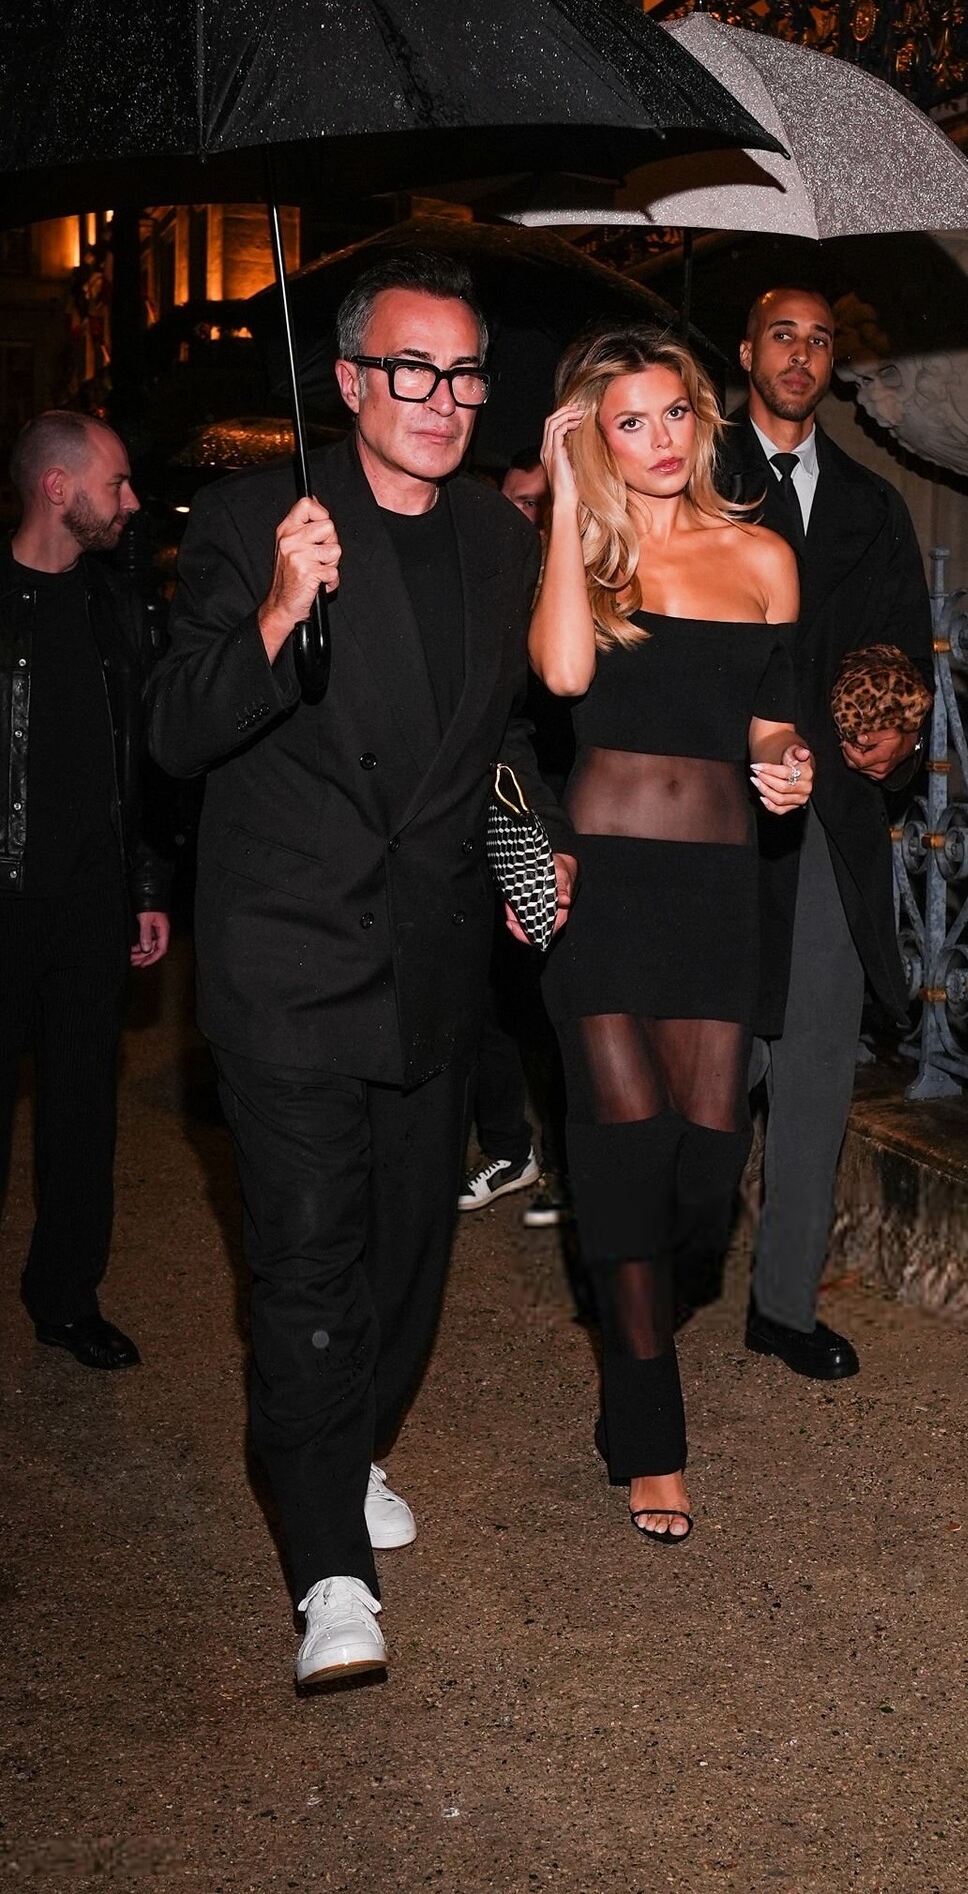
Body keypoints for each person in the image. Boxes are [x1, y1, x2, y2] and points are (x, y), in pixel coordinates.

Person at [148, 253, 576, 1688]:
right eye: (411, 368)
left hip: (430, 968)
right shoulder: (251, 519)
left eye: (463, 374)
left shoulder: (500, 540)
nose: (442, 398)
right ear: (346, 380)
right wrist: (278, 612)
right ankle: (327, 1565)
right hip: (288, 965)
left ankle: (350, 1443)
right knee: (309, 1269)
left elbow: (498, 742)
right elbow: (176, 732)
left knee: (408, 1263)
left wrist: (533, 846)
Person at [531, 322, 812, 1543]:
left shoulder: (761, 556)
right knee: (623, 1153)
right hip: (599, 890)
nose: (655, 440)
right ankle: (650, 1436)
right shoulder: (582, 558)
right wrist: (561, 506)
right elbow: (559, 678)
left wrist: (787, 763)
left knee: (704, 1166)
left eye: (672, 413)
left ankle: (633, 1321)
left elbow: (769, 716)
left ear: (701, 417)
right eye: (626, 422)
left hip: (713, 889)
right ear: (593, 437)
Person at [718, 287, 933, 1382]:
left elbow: (905, 654)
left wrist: (895, 739)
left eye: (818, 340)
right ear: (745, 351)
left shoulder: (871, 505)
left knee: (810, 1073)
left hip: (826, 828)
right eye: (781, 336)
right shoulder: (690, 474)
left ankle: (784, 1304)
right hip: (709, 814)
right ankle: (661, 1265)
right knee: (706, 1062)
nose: (799, 356)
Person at [1, 412, 170, 1371]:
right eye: (117, 483)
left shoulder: (119, 608)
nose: (132, 502)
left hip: (91, 907)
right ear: (58, 488)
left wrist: (146, 880)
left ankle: (65, 1299)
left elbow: (144, 761)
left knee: (81, 1118)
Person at [458, 446, 572, 1230]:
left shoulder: (583, 578)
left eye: (542, 503)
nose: (528, 517)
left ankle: (570, 1166)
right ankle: (510, 1147)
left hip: (572, 802)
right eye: (519, 502)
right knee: (490, 990)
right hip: (505, 803)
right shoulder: (488, 576)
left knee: (561, 1002)